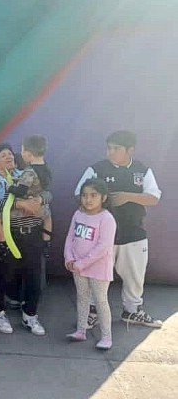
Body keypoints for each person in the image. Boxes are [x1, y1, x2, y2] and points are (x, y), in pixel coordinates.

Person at [74, 130, 163, 328]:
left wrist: (128, 196)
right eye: (109, 148)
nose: (110, 152)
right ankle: (92, 311)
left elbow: (154, 197)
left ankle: (132, 311)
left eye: (116, 148)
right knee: (95, 274)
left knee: (135, 274)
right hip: (100, 235)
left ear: (130, 150)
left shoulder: (142, 170)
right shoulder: (97, 169)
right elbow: (78, 193)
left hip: (133, 232)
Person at [0, 143, 48, 336]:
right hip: (7, 233)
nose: (9, 157)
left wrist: (39, 201)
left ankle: (30, 314)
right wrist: (20, 203)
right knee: (4, 273)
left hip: (32, 231)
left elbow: (47, 192)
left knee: (34, 275)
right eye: (3, 155)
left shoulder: (26, 174)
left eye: (10, 154)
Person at [65, 179, 116, 350]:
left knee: (100, 301)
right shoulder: (78, 214)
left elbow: (104, 246)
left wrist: (83, 263)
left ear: (103, 197)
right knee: (82, 298)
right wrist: (69, 258)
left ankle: (106, 337)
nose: (88, 199)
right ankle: (81, 330)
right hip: (77, 267)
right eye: (85, 195)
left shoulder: (107, 218)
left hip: (97, 269)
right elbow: (70, 237)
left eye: (93, 195)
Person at [0, 136, 53, 259]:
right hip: (38, 209)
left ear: (29, 154)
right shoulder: (46, 168)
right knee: (48, 216)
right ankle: (47, 242)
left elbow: (20, 191)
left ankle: (3, 245)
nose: (19, 154)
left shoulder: (29, 172)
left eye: (22, 150)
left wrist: (10, 187)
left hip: (26, 209)